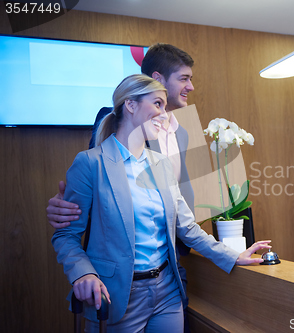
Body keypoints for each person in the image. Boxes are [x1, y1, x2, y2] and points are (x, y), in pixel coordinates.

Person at [52, 74, 271, 332]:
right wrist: (83, 272)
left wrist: (233, 256)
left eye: (165, 106)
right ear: (130, 105)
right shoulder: (91, 163)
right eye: (157, 104)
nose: (164, 114)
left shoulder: (161, 164)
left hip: (167, 290)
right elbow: (66, 235)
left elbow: (187, 228)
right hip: (117, 294)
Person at [46, 43, 196, 331]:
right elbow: (96, 186)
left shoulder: (185, 133)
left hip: (171, 269)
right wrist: (61, 207)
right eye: (184, 78)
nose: (191, 86)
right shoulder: (112, 119)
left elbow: (184, 200)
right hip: (122, 277)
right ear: (159, 79)